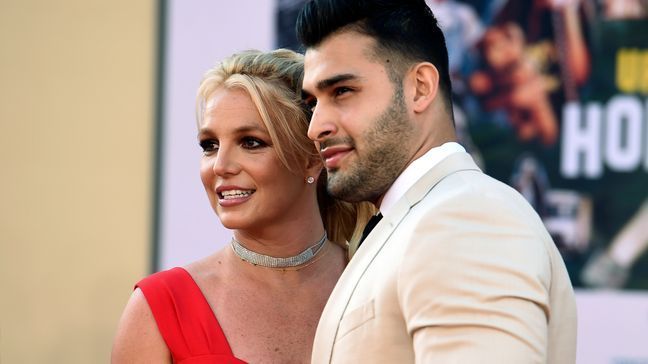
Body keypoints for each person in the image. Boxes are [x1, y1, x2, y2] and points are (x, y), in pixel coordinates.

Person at [296, 0, 577, 362]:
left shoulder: (466, 220)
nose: (315, 127)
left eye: (342, 91)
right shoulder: (425, 219)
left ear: (420, 87)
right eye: (312, 103)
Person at [111, 49, 373, 363]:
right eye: (210, 145)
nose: (220, 166)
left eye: (250, 142)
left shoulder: (377, 282)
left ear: (312, 158)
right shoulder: (159, 308)